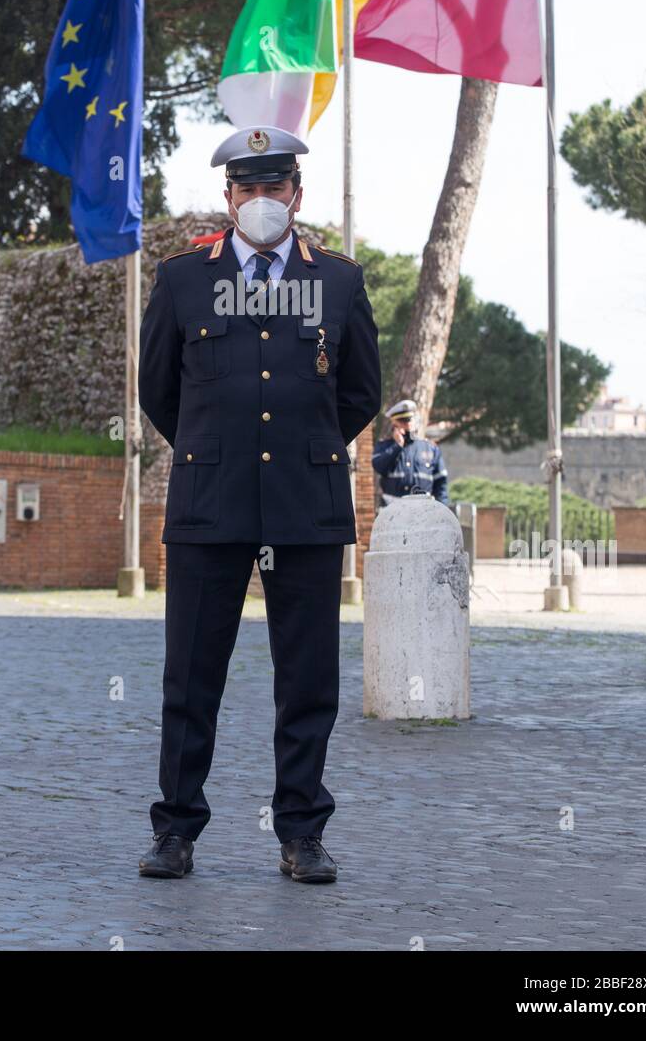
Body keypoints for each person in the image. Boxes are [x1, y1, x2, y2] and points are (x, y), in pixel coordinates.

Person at [137, 123, 381, 884]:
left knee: (308, 678)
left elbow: (361, 391)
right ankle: (175, 831)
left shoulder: (339, 281)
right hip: (212, 501)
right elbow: (159, 392)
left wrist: (307, 446)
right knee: (191, 675)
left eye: (276, 186)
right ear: (229, 198)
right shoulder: (182, 280)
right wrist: (217, 447)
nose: (263, 199)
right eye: (248, 188)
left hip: (305, 505)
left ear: (297, 195)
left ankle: (301, 834)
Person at [371, 398, 449, 506]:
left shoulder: (430, 448)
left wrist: (442, 512)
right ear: (394, 425)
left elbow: (441, 485)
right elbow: (379, 466)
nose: (407, 425)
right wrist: (397, 446)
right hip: (393, 512)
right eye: (402, 421)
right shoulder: (384, 446)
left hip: (423, 512)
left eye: (409, 420)